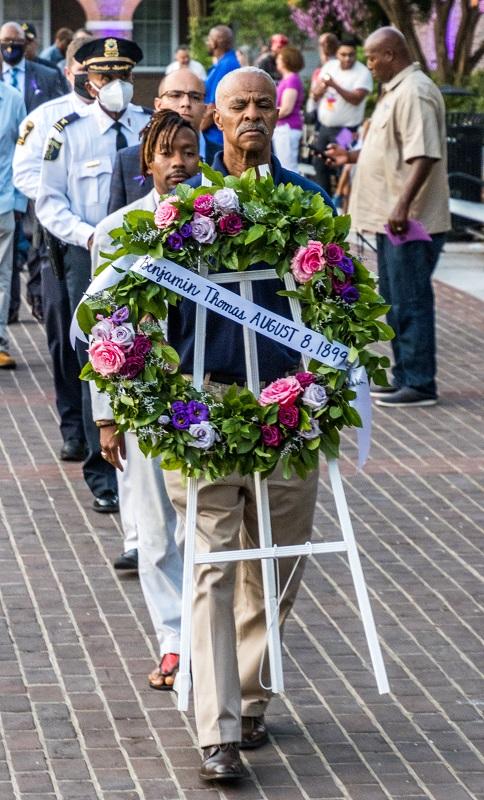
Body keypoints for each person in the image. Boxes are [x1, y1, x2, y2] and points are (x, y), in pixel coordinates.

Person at [163, 66, 334, 781]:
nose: (254, 115)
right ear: (213, 115)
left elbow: (338, 301)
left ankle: (253, 691)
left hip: (289, 410)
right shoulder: (184, 208)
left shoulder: (308, 202)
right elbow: (140, 309)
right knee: (211, 569)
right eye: (240, 105)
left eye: (266, 104)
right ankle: (218, 731)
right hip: (207, 409)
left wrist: (327, 381)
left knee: (277, 565)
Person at [92, 110, 200, 683]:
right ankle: (174, 639)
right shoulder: (116, 232)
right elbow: (102, 332)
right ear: (147, 163)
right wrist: (107, 418)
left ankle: (208, 633)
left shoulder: (221, 223)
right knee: (155, 531)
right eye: (166, 153)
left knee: (201, 525)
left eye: (188, 150)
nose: (178, 162)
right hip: (144, 400)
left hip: (209, 398)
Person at [36, 36, 151, 514]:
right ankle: (103, 473)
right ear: (88, 79)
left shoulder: (150, 128)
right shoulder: (67, 131)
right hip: (90, 255)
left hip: (148, 256)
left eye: (123, 76)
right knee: (99, 363)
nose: (115, 85)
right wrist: (89, 237)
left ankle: (149, 466)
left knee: (148, 352)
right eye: (105, 77)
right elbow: (49, 202)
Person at [326, 27, 450, 407]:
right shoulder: (397, 90)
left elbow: (424, 154)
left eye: (372, 57)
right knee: (395, 299)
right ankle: (405, 376)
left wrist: (401, 206)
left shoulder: (414, 92)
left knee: (410, 300)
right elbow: (393, 149)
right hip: (391, 220)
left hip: (408, 221)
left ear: (392, 54)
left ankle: (419, 382)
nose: (369, 64)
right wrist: (351, 158)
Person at [13, 37, 94, 462]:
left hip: (109, 243)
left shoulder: (125, 119)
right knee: (66, 339)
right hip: (59, 243)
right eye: (82, 67)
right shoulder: (47, 118)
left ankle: (99, 425)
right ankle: (74, 427)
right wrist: (61, 203)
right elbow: (26, 174)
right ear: (68, 71)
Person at [1, 20, 68, 326]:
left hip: (39, 173)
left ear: (26, 44)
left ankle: (38, 296)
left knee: (37, 239)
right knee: (9, 252)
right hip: (6, 178)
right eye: (5, 43)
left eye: (16, 42)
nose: (11, 48)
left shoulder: (47, 74)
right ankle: (10, 308)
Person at [108, 68, 206, 214]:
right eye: (175, 95)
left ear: (205, 108)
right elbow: (115, 227)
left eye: (195, 97)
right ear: (158, 105)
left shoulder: (222, 156)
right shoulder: (127, 159)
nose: (186, 103)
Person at [311, 35, 372, 193]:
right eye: (343, 54)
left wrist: (334, 85)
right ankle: (324, 200)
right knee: (319, 163)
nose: (347, 58)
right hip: (325, 127)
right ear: (337, 54)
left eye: (351, 54)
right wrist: (318, 92)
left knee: (342, 167)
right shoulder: (330, 66)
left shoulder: (362, 72)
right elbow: (316, 91)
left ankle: (343, 203)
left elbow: (356, 99)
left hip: (347, 129)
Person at [0, 49, 26, 370]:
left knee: (2, 277)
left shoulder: (13, 98)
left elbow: (23, 151)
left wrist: (19, 202)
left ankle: (0, 342)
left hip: (3, 202)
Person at [0, 21, 67, 111]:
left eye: (18, 41)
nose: (11, 45)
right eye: (6, 40)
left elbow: (59, 110)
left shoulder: (48, 75)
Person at [200, 25, 239, 165]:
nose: (207, 43)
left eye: (209, 39)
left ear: (216, 42)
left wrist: (195, 131)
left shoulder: (226, 65)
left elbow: (214, 106)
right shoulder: (223, 63)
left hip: (216, 140)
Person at [272, 45, 304, 173]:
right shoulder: (289, 79)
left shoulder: (292, 80)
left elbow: (286, 109)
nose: (277, 61)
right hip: (284, 128)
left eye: (279, 58)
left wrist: (267, 116)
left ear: (287, 60)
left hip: (288, 128)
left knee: (288, 167)